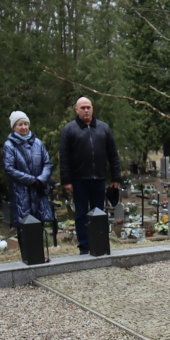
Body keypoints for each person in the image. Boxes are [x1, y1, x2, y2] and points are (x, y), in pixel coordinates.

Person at [59, 97, 122, 254]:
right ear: (76, 110)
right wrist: (66, 180)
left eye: (88, 107)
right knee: (81, 214)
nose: (86, 110)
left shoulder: (103, 128)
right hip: (79, 180)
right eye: (83, 108)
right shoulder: (69, 129)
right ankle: (84, 246)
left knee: (99, 213)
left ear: (92, 108)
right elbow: (64, 157)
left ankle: (98, 243)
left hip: (99, 179)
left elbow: (113, 155)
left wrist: (116, 177)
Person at [3, 111, 55, 228]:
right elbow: (9, 168)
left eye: (26, 124)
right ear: (14, 127)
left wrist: (41, 179)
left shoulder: (38, 143)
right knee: (25, 227)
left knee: (39, 225)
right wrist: (32, 180)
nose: (24, 127)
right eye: (20, 124)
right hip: (20, 193)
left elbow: (47, 163)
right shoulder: (9, 145)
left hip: (39, 190)